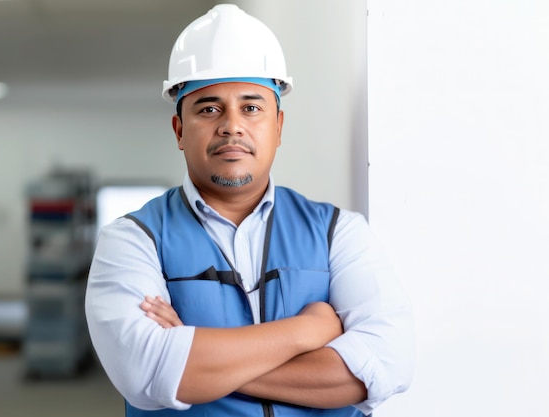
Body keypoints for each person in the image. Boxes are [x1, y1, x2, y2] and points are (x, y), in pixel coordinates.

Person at [85, 4, 414, 416]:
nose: (231, 125)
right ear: (179, 130)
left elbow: (385, 366)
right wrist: (307, 331)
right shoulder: (133, 239)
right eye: (208, 108)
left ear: (278, 126)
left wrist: (195, 353)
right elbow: (146, 372)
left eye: (252, 107)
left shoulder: (339, 233)